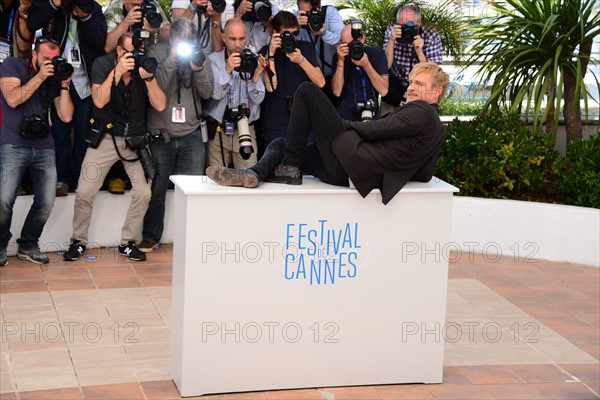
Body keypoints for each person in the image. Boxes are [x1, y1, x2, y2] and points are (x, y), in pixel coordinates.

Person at [206, 61, 450, 206]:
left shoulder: (422, 111)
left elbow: (376, 129)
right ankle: (253, 173)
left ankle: (290, 167)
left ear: (437, 92)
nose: (412, 88)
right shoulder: (436, 130)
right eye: (411, 82)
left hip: (351, 162)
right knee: (282, 143)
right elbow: (426, 174)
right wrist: (390, 171)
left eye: (420, 84)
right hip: (345, 175)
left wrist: (340, 124)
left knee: (307, 91)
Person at [62, 32, 166, 262]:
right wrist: (117, 72)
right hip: (105, 137)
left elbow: (160, 104)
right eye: (129, 53)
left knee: (143, 192)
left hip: (135, 140)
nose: (134, 57)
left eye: (137, 53)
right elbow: (98, 100)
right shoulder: (103, 64)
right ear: (119, 51)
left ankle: (127, 242)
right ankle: (78, 241)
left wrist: (149, 78)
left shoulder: (144, 67)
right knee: (85, 191)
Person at [138, 18, 214, 253]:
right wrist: (171, 61)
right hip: (161, 133)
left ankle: (192, 237)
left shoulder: (199, 55)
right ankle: (151, 236)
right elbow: (154, 87)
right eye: (180, 43)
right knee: (157, 190)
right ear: (171, 39)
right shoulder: (157, 53)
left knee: (192, 191)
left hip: (191, 133)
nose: (184, 47)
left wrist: (198, 69)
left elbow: (208, 91)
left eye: (188, 43)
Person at [0, 35, 74, 266]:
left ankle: (29, 244)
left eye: (54, 58)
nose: (50, 63)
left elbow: (66, 115)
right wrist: (41, 77)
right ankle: (0, 245)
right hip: (12, 142)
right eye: (45, 58)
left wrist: (63, 84)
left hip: (44, 145)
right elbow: (12, 99)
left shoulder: (54, 77)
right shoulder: (12, 65)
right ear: (33, 54)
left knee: (46, 201)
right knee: (3, 200)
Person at [27, 0, 107, 196]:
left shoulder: (93, 8)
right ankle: (62, 179)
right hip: (57, 79)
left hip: (84, 83)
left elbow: (100, 41)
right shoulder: (54, 7)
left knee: (83, 135)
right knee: (60, 134)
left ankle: (79, 177)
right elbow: (33, 24)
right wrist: (54, 4)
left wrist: (85, 17)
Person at [204, 18, 265, 169]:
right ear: (223, 38)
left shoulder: (254, 59)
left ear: (247, 38)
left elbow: (258, 99)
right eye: (232, 39)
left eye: (241, 39)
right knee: (216, 181)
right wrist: (228, 70)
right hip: (218, 129)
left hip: (245, 129)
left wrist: (256, 76)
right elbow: (216, 95)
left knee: (249, 178)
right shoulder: (214, 60)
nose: (237, 44)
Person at [259, 10, 324, 146]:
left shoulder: (305, 49)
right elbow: (271, 86)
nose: (291, 38)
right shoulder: (265, 51)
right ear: (275, 33)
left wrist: (301, 60)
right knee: (278, 166)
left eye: (295, 34)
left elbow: (320, 82)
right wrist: (270, 54)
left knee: (308, 166)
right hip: (276, 124)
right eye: (286, 35)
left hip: (305, 123)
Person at [381, 3, 442, 113]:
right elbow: (385, 66)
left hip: (421, 89)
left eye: (409, 25)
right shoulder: (392, 32)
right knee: (386, 124)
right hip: (395, 87)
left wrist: (419, 51)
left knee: (419, 124)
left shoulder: (431, 35)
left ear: (419, 23)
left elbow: (434, 72)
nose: (405, 30)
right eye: (402, 24)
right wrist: (391, 41)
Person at [331, 22, 388, 121]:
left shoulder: (376, 53)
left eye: (352, 43)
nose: (351, 48)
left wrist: (367, 65)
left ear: (362, 39)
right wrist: (340, 62)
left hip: (371, 115)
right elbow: (337, 92)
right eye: (345, 44)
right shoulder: (339, 57)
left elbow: (383, 91)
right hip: (346, 116)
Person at [295, 0, 342, 78]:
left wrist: (325, 34)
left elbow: (342, 41)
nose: (311, 17)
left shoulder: (330, 13)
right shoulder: (297, 18)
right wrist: (296, 28)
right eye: (306, 13)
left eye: (313, 11)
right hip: (311, 76)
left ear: (320, 8)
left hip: (333, 73)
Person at [103, 0, 170, 53]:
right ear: (125, 1)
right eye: (134, 5)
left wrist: (156, 31)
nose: (140, 8)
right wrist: (125, 23)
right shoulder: (115, 9)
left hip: (149, 53)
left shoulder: (152, 4)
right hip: (123, 56)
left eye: (143, 4)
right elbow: (108, 48)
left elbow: (169, 34)